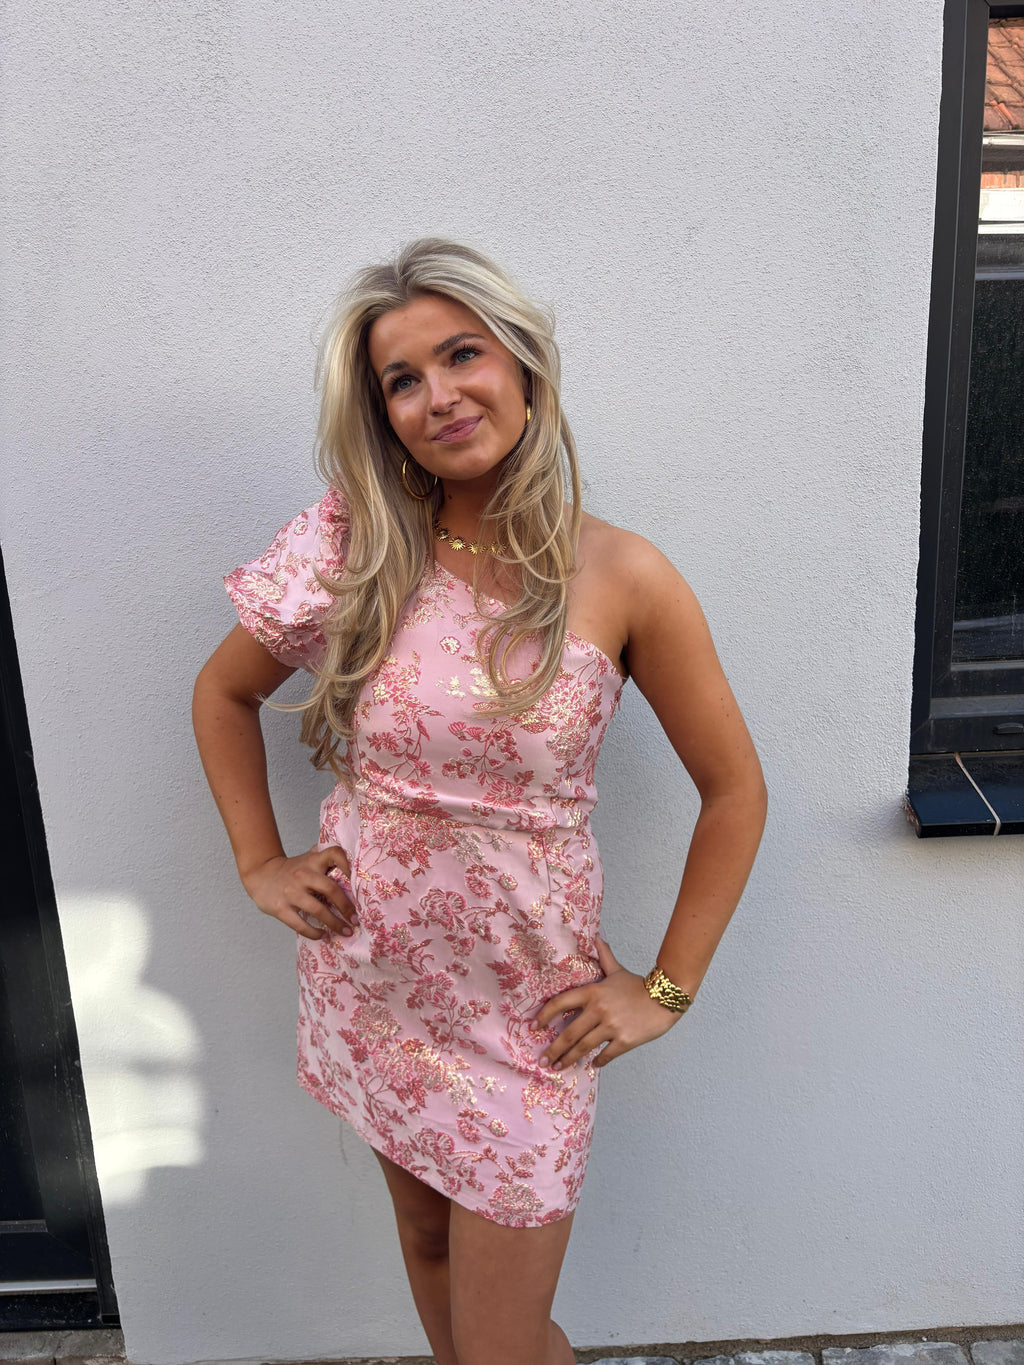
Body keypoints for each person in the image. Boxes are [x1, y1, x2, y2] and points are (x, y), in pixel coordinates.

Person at [192, 237, 767, 1365]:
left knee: (502, 1343)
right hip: (373, 981)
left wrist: (665, 990)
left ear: (523, 367)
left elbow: (735, 790)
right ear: (384, 416)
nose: (439, 395)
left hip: (530, 1012)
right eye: (402, 379)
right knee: (427, 1246)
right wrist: (260, 862)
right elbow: (223, 692)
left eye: (463, 355)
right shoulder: (353, 545)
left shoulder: (627, 576)